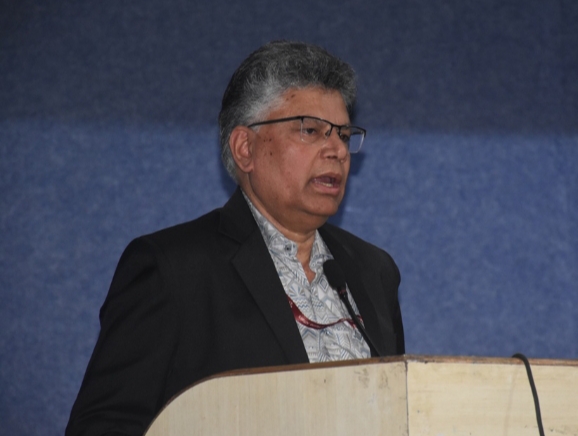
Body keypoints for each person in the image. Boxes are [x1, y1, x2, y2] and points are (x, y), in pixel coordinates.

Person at [65, 40, 405, 435]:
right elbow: (105, 425)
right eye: (311, 130)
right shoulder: (171, 270)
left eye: (343, 135)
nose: (337, 151)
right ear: (245, 148)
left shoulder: (373, 270)